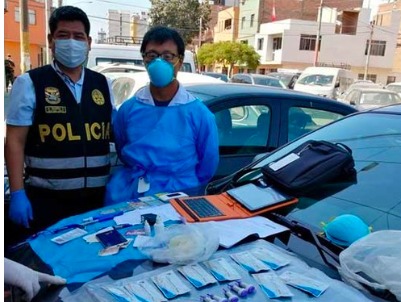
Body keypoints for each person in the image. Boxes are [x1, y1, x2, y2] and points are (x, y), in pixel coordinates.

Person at [5, 6, 114, 242]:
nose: (71, 42)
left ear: (89, 42)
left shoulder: (102, 84)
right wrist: (17, 193)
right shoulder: (30, 83)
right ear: (51, 41)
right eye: (63, 35)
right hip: (46, 200)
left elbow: (113, 132)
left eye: (78, 36)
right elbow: (14, 140)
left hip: (95, 201)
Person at [105, 26, 219, 204]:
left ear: (179, 62)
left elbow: (207, 167)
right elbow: (121, 148)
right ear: (144, 60)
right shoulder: (128, 110)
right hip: (129, 195)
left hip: (180, 197)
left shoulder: (199, 114)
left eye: (167, 56)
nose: (159, 62)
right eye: (152, 55)